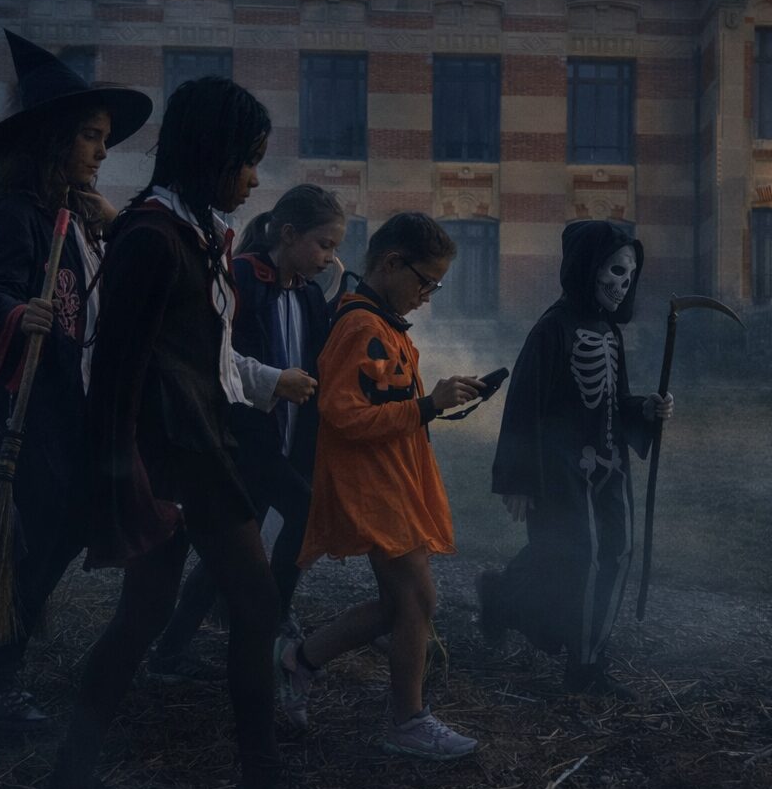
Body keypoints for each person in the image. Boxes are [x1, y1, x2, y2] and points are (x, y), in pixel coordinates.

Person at [36, 77, 352, 789]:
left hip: (195, 450)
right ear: (212, 154)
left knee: (144, 616)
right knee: (252, 604)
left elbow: (205, 360)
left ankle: (67, 788)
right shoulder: (152, 238)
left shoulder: (195, 235)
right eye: (248, 161)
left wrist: (269, 383)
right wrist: (128, 482)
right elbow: (109, 371)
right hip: (174, 463)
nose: (254, 180)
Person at [0, 30, 152, 731]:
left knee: (60, 537)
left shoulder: (78, 219)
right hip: (24, 415)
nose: (101, 151)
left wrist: (115, 230)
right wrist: (13, 311)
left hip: (70, 410)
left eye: (104, 138)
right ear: (53, 140)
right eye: (90, 136)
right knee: (29, 544)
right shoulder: (15, 216)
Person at [276, 212, 486, 760]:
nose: (427, 296)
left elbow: (384, 402)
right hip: (374, 484)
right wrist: (428, 405)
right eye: (425, 282)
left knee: (401, 604)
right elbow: (342, 415)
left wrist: (433, 402)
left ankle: (299, 660)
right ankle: (407, 721)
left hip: (393, 477)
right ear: (392, 263)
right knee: (418, 597)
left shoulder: (383, 325)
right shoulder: (360, 328)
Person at [147, 184, 346, 682]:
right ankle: (272, 613)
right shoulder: (239, 279)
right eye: (323, 244)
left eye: (334, 248)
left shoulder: (309, 295)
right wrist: (272, 383)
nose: (329, 257)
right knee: (305, 512)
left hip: (288, 440)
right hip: (242, 442)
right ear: (289, 233)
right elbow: (214, 356)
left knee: (225, 555)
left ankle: (170, 653)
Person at [478, 221, 673, 697]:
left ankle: (582, 650)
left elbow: (613, 403)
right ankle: (576, 659)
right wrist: (518, 479)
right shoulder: (552, 329)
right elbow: (523, 405)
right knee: (577, 557)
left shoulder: (609, 330)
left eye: (630, 275)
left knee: (618, 552)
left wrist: (644, 410)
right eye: (615, 271)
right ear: (588, 268)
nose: (622, 284)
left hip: (610, 467)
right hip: (562, 471)